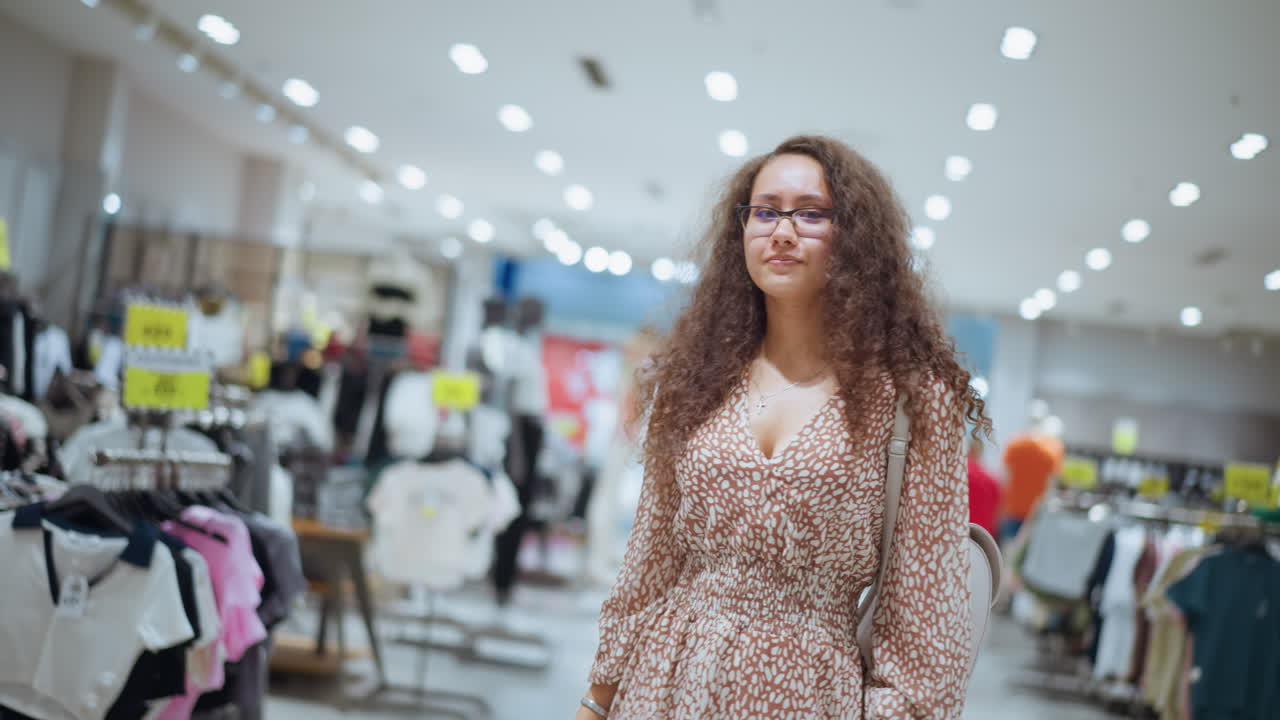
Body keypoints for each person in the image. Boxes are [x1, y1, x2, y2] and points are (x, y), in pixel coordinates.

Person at [575, 136, 991, 720]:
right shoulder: (694, 381)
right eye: (765, 211)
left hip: (806, 692)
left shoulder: (912, 402)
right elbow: (649, 564)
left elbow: (926, 622)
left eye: (812, 213)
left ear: (855, 237)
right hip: (663, 681)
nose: (783, 230)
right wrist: (597, 701)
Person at [998, 427, 1063, 546]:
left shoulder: (1015, 444)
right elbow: (1052, 484)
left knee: (1004, 554)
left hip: (1012, 510)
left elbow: (1004, 478)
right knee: (1025, 558)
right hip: (1035, 514)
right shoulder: (1052, 449)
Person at [966, 439, 1001, 538]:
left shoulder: (958, 473)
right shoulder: (990, 478)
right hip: (983, 536)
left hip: (961, 531)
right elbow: (998, 514)